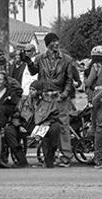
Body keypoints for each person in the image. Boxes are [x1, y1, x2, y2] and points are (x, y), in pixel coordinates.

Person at [20, 32, 75, 167]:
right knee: (45, 127)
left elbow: (69, 79)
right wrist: (28, 61)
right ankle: (48, 157)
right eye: (52, 41)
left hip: (60, 97)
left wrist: (65, 94)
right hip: (44, 98)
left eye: (57, 41)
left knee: (63, 126)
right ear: (47, 44)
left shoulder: (66, 59)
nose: (55, 44)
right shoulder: (40, 58)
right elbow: (33, 72)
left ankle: (66, 156)